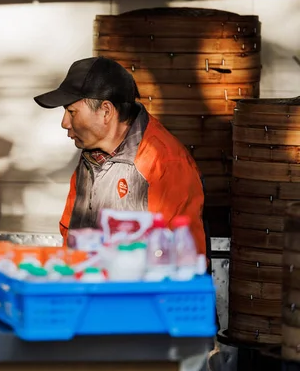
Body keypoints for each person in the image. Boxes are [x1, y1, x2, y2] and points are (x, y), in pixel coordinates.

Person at [34, 57, 206, 254]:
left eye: (72, 112)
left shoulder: (165, 162)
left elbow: (184, 258)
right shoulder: (90, 156)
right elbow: (69, 232)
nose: (64, 122)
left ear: (106, 111)